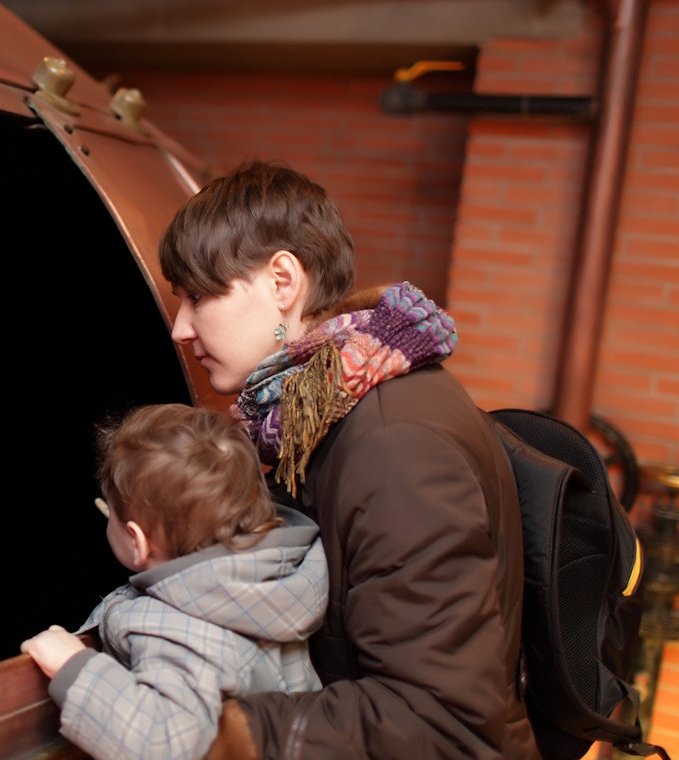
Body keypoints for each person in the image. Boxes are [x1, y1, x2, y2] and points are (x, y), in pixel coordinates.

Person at [155, 158, 538, 759]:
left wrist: (215, 730)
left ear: (282, 281)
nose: (180, 327)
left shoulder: (393, 443)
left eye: (199, 296)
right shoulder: (315, 412)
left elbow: (444, 723)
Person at [20, 402, 328, 760]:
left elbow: (163, 743)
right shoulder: (277, 584)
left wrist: (74, 667)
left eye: (110, 513)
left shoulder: (176, 629)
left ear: (137, 541)